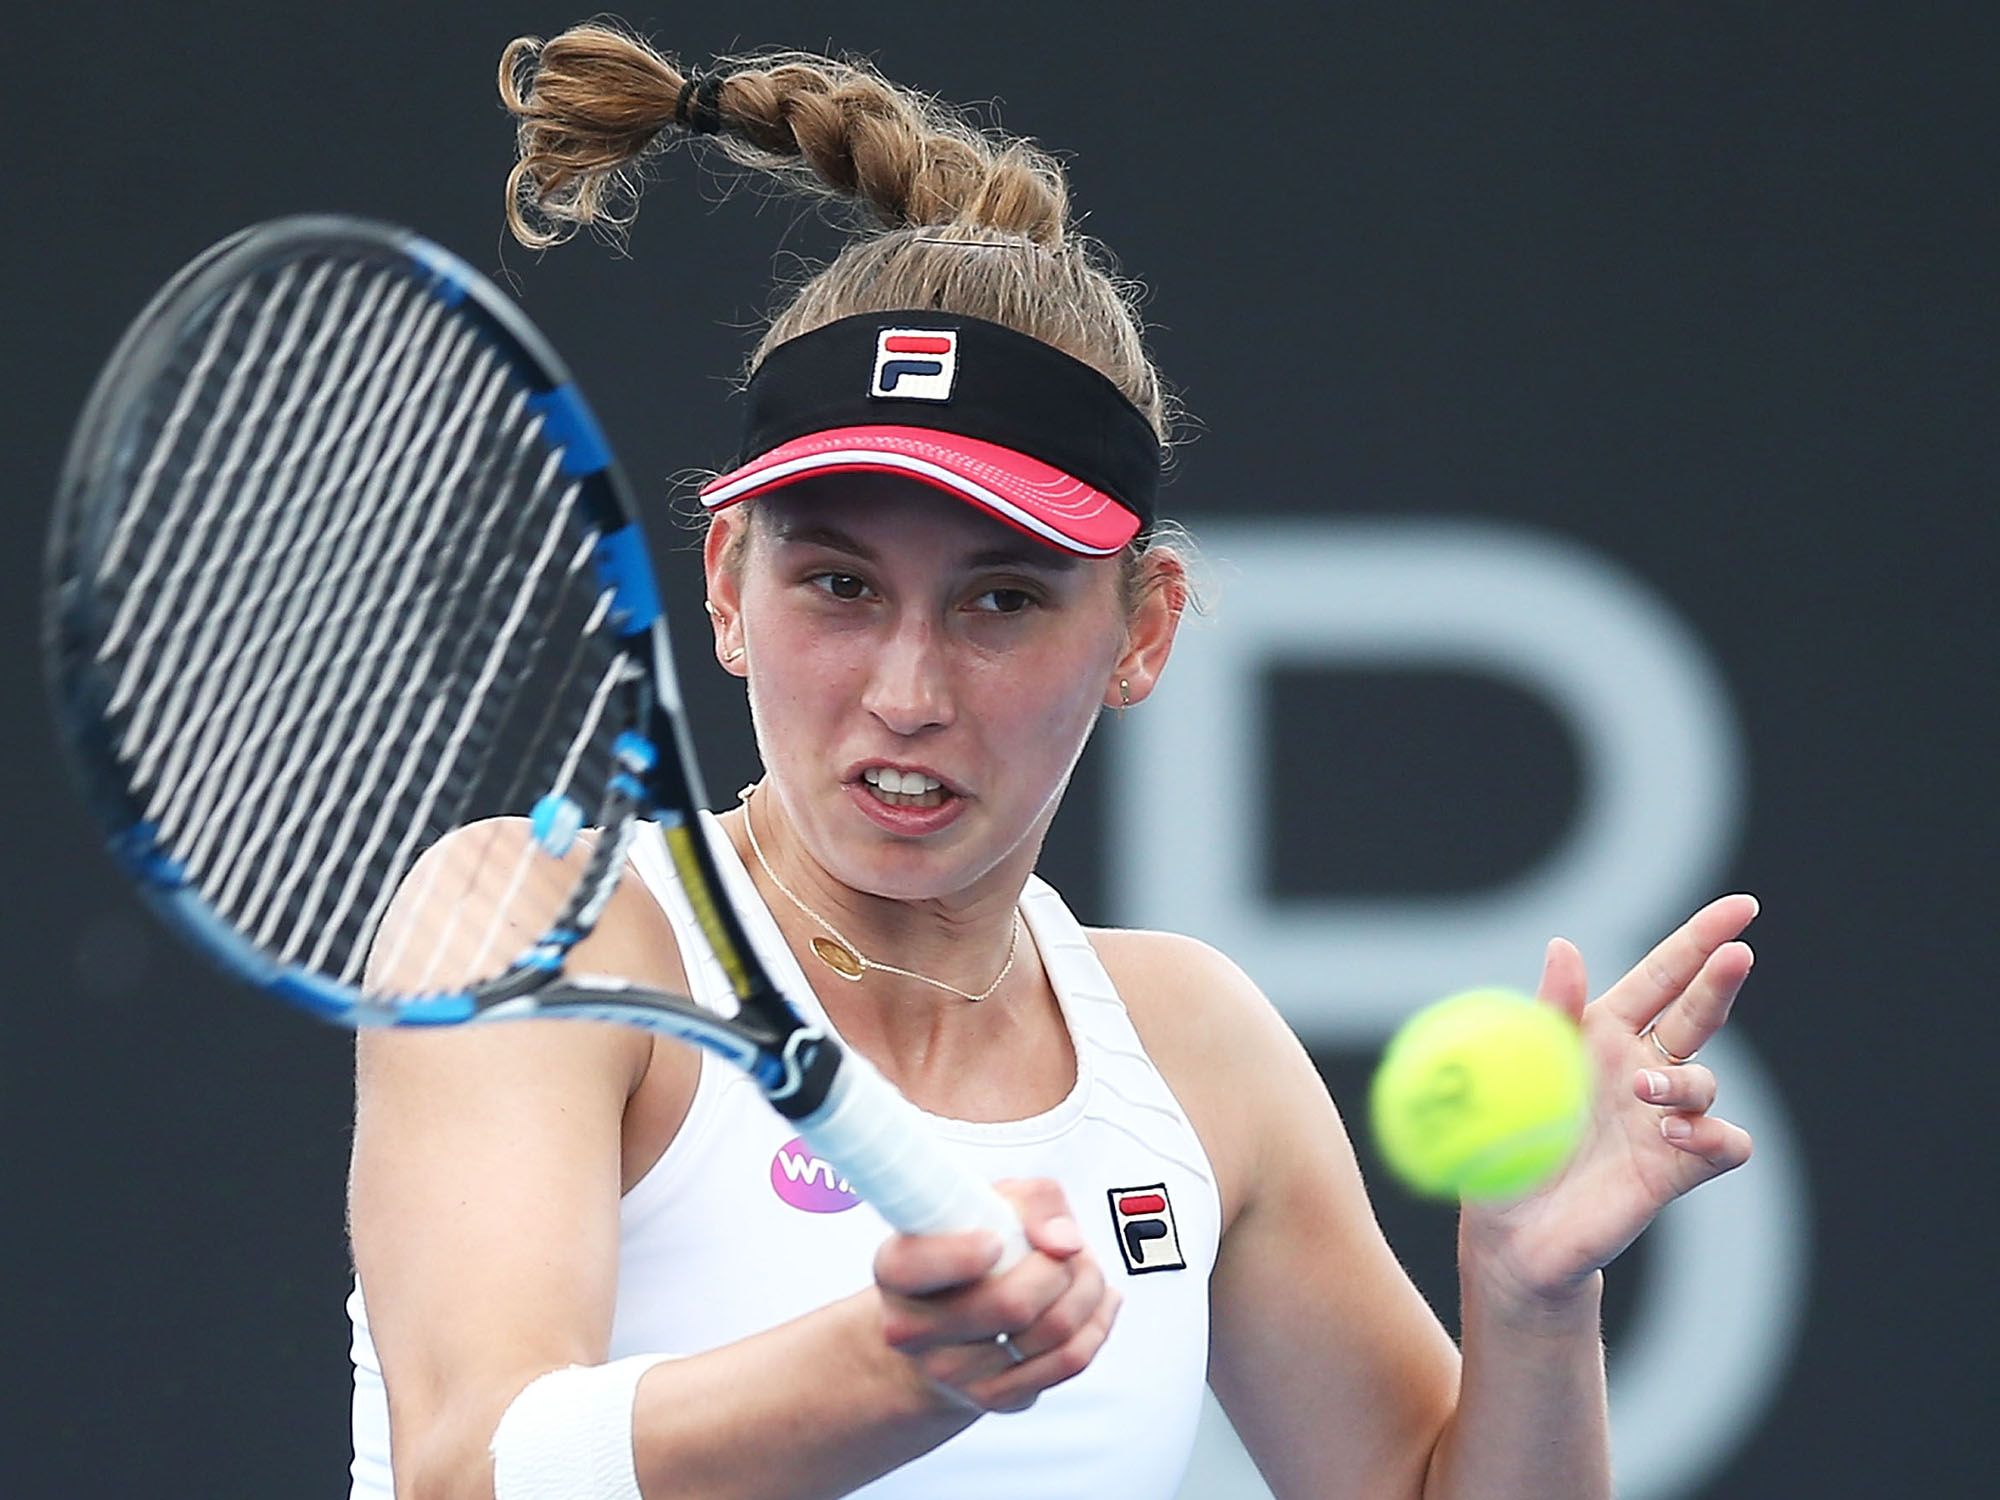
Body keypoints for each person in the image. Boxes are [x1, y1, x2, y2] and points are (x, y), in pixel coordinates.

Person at [346, 22, 1758, 1500]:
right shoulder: (542, 927)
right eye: (838, 584)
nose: (906, 690)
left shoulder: (1195, 1047)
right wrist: (893, 1373)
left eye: (1000, 600)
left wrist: (1534, 1305)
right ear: (724, 588)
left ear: (1142, 631)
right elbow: (472, 1473)